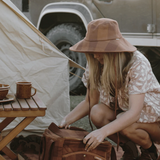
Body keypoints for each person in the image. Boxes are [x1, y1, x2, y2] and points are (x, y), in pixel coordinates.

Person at [59, 18, 160, 160]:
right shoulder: (96, 61)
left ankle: (150, 151)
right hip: (125, 115)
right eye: (92, 50)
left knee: (125, 124)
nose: (95, 55)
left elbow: (134, 113)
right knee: (97, 112)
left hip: (154, 122)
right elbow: (90, 102)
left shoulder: (137, 63)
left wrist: (102, 132)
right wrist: (65, 120)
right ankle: (129, 147)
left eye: (99, 50)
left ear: (114, 49)